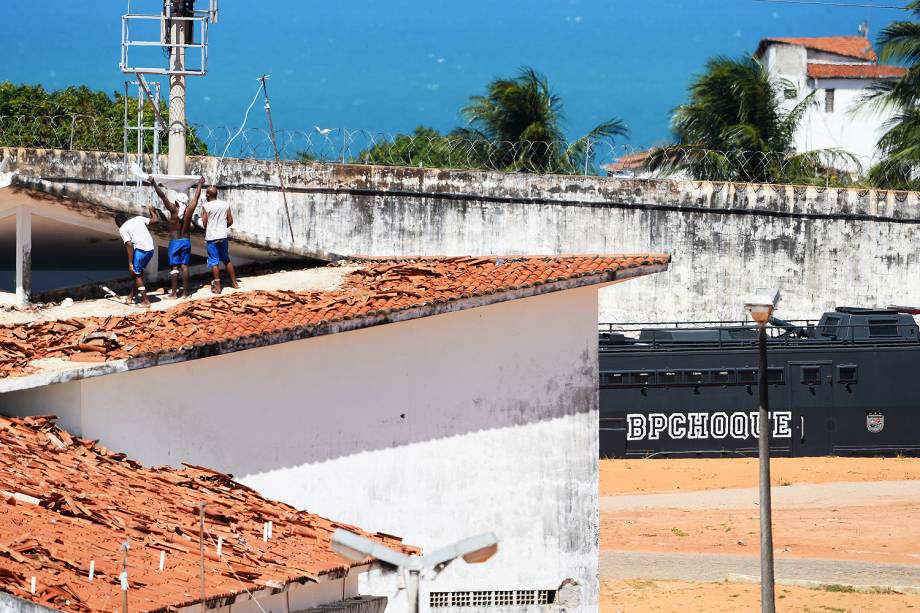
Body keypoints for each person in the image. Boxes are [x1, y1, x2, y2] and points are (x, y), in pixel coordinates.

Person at [148, 175, 205, 298]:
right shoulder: (189, 210)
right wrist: (200, 183)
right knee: (185, 266)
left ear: (176, 201)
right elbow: (196, 197)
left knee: (174, 267)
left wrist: (153, 183)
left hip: (174, 242)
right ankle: (185, 293)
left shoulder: (173, 209)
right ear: (186, 201)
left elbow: (162, 196)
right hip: (186, 241)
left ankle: (174, 293)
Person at [115, 206, 159, 308]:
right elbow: (155, 220)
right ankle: (130, 297)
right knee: (138, 273)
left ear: (118, 224)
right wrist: (152, 212)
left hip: (141, 250)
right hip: (150, 249)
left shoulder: (122, 229)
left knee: (137, 275)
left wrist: (130, 263)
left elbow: (129, 245)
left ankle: (145, 301)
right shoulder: (138, 218)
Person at [201, 185, 238, 294]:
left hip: (212, 237)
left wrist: (212, 228)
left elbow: (204, 223)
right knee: (226, 259)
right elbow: (230, 221)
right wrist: (221, 227)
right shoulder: (225, 204)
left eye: (206, 193)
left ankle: (217, 287)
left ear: (208, 194)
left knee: (214, 261)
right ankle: (234, 283)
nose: (205, 195)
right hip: (223, 236)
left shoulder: (206, 206)